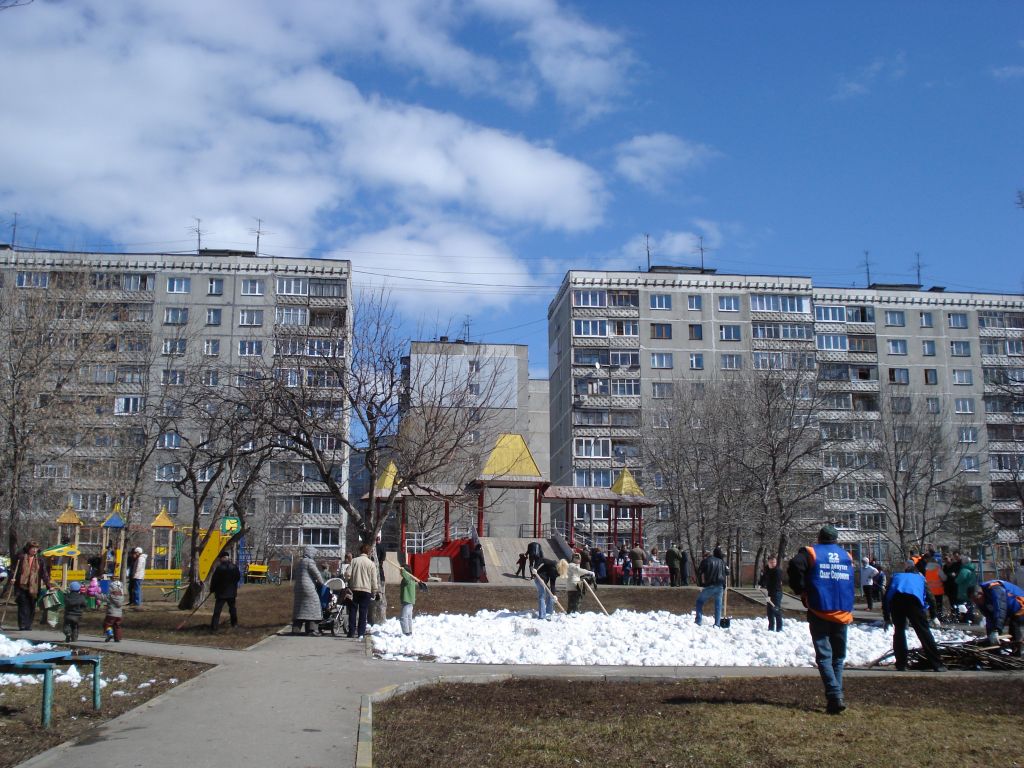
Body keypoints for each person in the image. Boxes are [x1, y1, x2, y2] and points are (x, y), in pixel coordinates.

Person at [787, 525, 855, 715]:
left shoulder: (811, 553)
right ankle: (836, 697)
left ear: (819, 537)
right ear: (836, 539)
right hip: (842, 610)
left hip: (820, 609)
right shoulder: (846, 555)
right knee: (838, 658)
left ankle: (834, 695)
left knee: (824, 656)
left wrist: (801, 589)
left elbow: (795, 565)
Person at [883, 562, 946, 672]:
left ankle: (901, 664)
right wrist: (934, 616)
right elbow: (931, 598)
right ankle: (937, 664)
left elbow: (886, 597)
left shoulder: (896, 576)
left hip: (896, 602)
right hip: (914, 603)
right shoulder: (920, 578)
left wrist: (887, 618)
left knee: (899, 632)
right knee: (924, 632)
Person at [970, 580, 1024, 656]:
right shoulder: (980, 600)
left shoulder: (996, 589)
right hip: (1009, 608)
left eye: (976, 599)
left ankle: (1017, 652)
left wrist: (996, 630)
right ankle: (995, 652)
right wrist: (991, 633)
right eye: (974, 601)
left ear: (981, 594)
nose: (976, 602)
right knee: (993, 632)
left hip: (1020, 604)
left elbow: (1000, 610)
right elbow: (989, 617)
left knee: (1014, 626)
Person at [12, 541, 52, 631]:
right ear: (28, 548)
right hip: (22, 585)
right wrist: (12, 578)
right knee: (23, 605)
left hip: (34, 587)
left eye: (36, 548)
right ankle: (22, 625)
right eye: (32, 548)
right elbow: (14, 569)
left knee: (31, 606)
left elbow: (44, 574)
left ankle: (28, 625)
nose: (34, 550)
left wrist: (48, 585)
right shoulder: (21, 557)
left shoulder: (40, 560)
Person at [347, 542, 380, 640]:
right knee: (363, 611)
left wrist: (348, 580)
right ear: (368, 552)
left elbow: (347, 574)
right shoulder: (371, 564)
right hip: (366, 590)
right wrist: (375, 590)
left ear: (360, 551)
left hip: (354, 589)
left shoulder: (354, 561)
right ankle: (361, 633)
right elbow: (374, 580)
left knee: (352, 610)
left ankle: (351, 631)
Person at [292, 545, 326, 635]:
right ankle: (312, 629)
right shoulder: (309, 562)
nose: (314, 555)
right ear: (310, 552)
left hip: (298, 588)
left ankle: (296, 629)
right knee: (314, 605)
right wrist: (322, 583)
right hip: (308, 587)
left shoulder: (300, 562)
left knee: (299, 608)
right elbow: (317, 574)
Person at [694, 547, 728, 627]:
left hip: (710, 585)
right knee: (718, 605)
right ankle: (717, 624)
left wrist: (701, 584)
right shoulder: (722, 562)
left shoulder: (706, 561)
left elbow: (699, 572)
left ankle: (698, 621)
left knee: (699, 601)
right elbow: (727, 572)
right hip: (720, 586)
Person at [209, 551, 241, 632]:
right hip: (232, 593)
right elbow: (238, 578)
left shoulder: (219, 568)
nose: (219, 560)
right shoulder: (234, 567)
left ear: (223, 558)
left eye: (220, 558)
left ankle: (214, 627)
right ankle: (234, 624)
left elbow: (214, 580)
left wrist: (212, 589)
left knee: (217, 610)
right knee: (232, 609)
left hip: (221, 593)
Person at [758, 555, 784, 632]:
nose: (773, 564)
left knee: (776, 610)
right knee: (769, 612)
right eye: (771, 562)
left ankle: (779, 629)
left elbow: (775, 584)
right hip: (770, 592)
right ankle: (771, 629)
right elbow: (763, 577)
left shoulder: (777, 571)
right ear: (768, 562)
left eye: (774, 562)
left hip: (776, 592)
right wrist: (760, 584)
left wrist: (770, 596)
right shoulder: (767, 569)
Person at [398, 564, 422, 635]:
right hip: (409, 601)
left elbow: (406, 576)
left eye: (400, 571)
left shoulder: (408, 578)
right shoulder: (411, 578)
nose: (400, 572)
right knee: (408, 617)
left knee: (403, 617)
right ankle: (409, 631)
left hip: (407, 601)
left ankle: (406, 632)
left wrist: (403, 571)